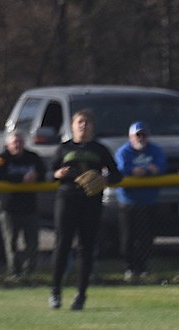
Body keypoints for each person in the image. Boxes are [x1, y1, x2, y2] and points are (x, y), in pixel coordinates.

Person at [49, 109, 122, 310]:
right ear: (72, 126)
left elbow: (117, 175)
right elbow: (49, 174)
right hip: (67, 198)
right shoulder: (64, 149)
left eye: (87, 122)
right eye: (80, 122)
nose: (83, 125)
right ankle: (55, 291)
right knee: (62, 245)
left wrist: (105, 179)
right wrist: (57, 173)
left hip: (91, 201)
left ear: (92, 126)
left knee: (86, 247)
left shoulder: (100, 149)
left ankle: (81, 295)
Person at [115, 121, 167, 282]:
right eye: (137, 135)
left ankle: (143, 268)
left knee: (146, 237)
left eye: (143, 135)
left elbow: (162, 166)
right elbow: (121, 168)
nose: (141, 138)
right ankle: (130, 268)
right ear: (130, 137)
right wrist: (134, 171)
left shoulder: (155, 150)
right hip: (129, 201)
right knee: (128, 237)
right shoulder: (124, 151)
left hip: (149, 200)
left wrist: (152, 170)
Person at [0, 131, 46, 279]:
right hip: (9, 208)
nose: (17, 145)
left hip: (30, 207)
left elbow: (43, 174)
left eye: (20, 142)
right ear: (8, 145)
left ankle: (30, 272)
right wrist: (21, 179)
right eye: (14, 143)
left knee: (32, 243)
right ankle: (14, 272)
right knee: (11, 243)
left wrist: (36, 177)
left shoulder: (33, 157)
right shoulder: (2, 158)